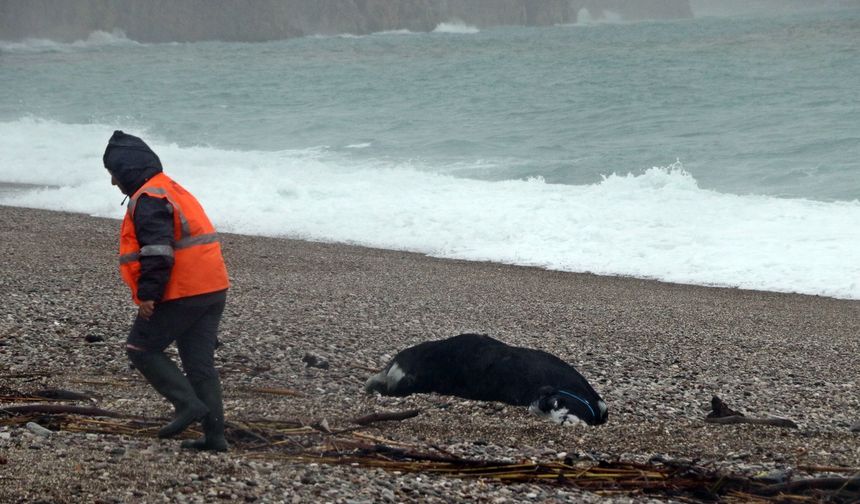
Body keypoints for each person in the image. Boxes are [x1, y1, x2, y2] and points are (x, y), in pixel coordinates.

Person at [103, 130, 230, 451]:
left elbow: (157, 251)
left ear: (128, 170)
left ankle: (186, 404)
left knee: (141, 348)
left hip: (183, 291)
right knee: (199, 366)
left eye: (115, 174)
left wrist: (149, 295)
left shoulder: (150, 197)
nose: (114, 182)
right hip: (213, 288)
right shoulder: (172, 188)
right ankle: (215, 437)